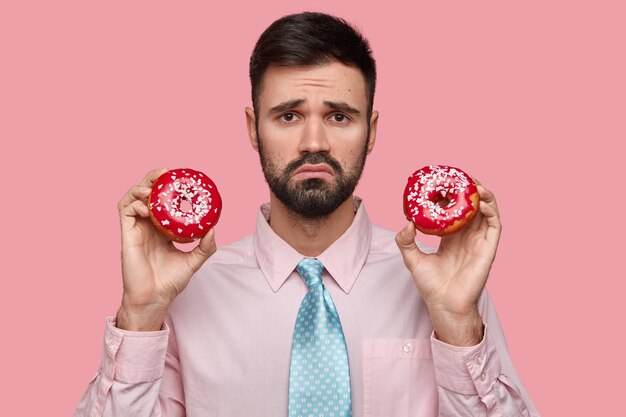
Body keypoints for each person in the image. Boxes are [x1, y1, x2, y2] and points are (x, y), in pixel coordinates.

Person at [74, 11, 540, 417]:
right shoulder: (183, 295)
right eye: (288, 116)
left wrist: (458, 327)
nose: (314, 142)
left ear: (371, 130)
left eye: (339, 116)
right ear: (253, 128)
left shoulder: (445, 284)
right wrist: (139, 316)